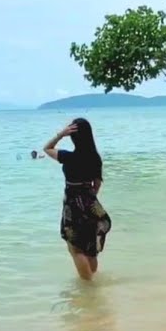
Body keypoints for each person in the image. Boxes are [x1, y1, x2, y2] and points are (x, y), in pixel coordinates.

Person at [42, 118, 112, 281]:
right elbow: (97, 185)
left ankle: (88, 287)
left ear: (73, 136)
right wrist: (88, 197)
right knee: (89, 247)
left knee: (75, 248)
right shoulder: (95, 158)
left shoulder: (68, 157)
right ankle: (92, 281)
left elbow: (47, 148)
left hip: (73, 206)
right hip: (91, 203)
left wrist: (60, 135)